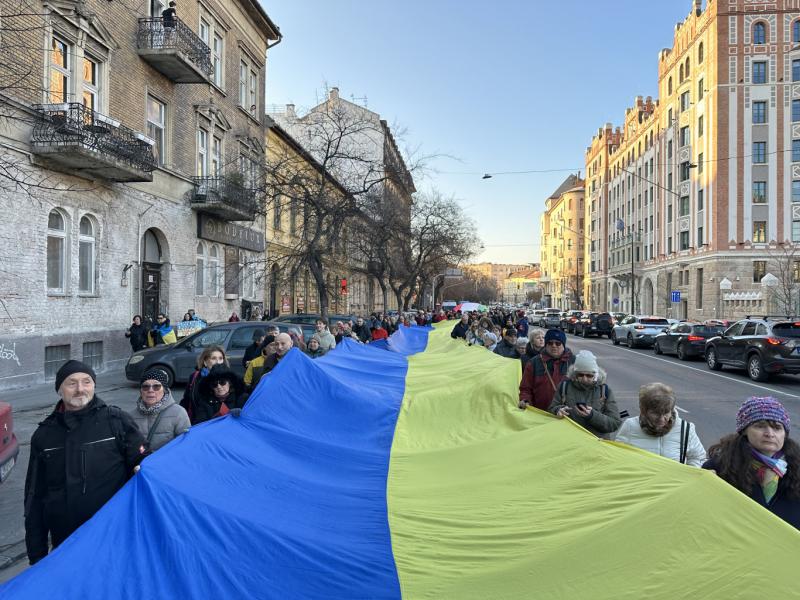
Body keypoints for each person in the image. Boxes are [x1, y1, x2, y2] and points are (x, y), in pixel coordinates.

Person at [24, 361, 146, 565]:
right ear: (59, 390)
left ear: (94, 386)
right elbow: (35, 497)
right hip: (66, 542)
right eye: (72, 383)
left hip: (113, 537)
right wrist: (37, 556)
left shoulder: (116, 421)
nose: (80, 389)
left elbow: (144, 464)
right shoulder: (44, 435)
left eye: (86, 382)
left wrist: (144, 465)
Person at [703, 396, 800, 529]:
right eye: (760, 426)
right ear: (744, 431)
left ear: (785, 433)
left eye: (777, 428)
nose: (770, 434)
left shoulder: (796, 467)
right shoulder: (720, 467)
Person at [615, 383, 706, 467]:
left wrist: (690, 474)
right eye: (655, 413)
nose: (662, 419)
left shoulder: (685, 429)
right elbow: (618, 456)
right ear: (643, 410)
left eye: (666, 412)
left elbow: (698, 457)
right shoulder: (630, 426)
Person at [548, 350, 622, 438]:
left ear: (595, 374)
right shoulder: (565, 386)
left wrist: (592, 416)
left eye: (589, 375)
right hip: (569, 440)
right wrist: (558, 410)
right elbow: (551, 409)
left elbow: (614, 423)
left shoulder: (604, 390)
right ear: (575, 373)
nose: (585, 379)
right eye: (580, 375)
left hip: (596, 444)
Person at [130, 369, 190, 452]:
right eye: (145, 387)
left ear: (164, 390)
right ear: (141, 391)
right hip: (140, 464)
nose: (150, 390)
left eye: (156, 386)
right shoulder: (131, 416)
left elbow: (185, 445)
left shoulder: (178, 413)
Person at [519, 328, 574, 411]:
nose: (554, 346)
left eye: (558, 343)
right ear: (546, 344)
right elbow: (525, 388)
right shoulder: (533, 362)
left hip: (567, 414)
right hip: (541, 414)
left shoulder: (573, 361)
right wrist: (525, 400)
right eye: (550, 343)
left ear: (563, 345)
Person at [181, 346, 228, 424]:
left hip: (219, 425)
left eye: (220, 358)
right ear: (205, 362)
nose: (218, 362)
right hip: (196, 424)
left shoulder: (228, 379)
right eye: (214, 358)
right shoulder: (194, 377)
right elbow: (186, 400)